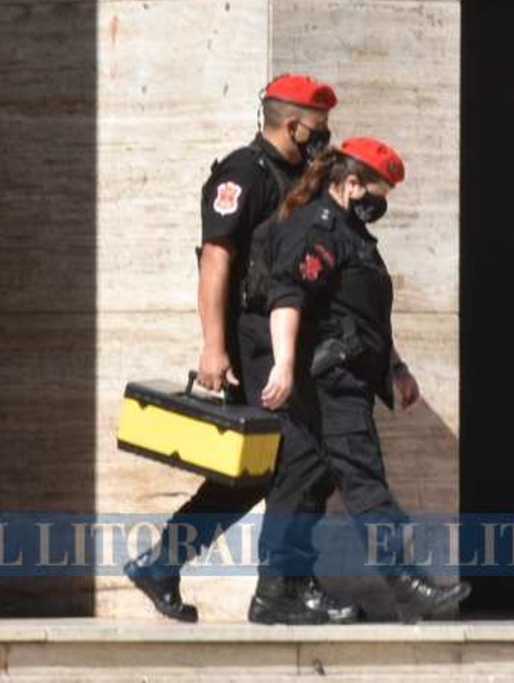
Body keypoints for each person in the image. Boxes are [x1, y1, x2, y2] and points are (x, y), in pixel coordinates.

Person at [124, 73, 349, 623]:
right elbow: (216, 259)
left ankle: (162, 563)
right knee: (301, 457)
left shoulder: (302, 177)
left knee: (257, 469)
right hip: (258, 338)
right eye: (317, 127)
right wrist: (213, 347)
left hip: (292, 335)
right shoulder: (245, 173)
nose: (323, 136)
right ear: (292, 125)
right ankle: (283, 588)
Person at [252, 138, 471, 623]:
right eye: (378, 193)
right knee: (364, 482)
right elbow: (287, 296)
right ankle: (408, 586)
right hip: (331, 383)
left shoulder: (351, 234)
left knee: (304, 483)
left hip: (346, 376)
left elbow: (361, 315)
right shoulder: (318, 229)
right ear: (351, 184)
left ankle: (275, 592)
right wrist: (283, 364)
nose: (381, 205)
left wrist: (396, 369)